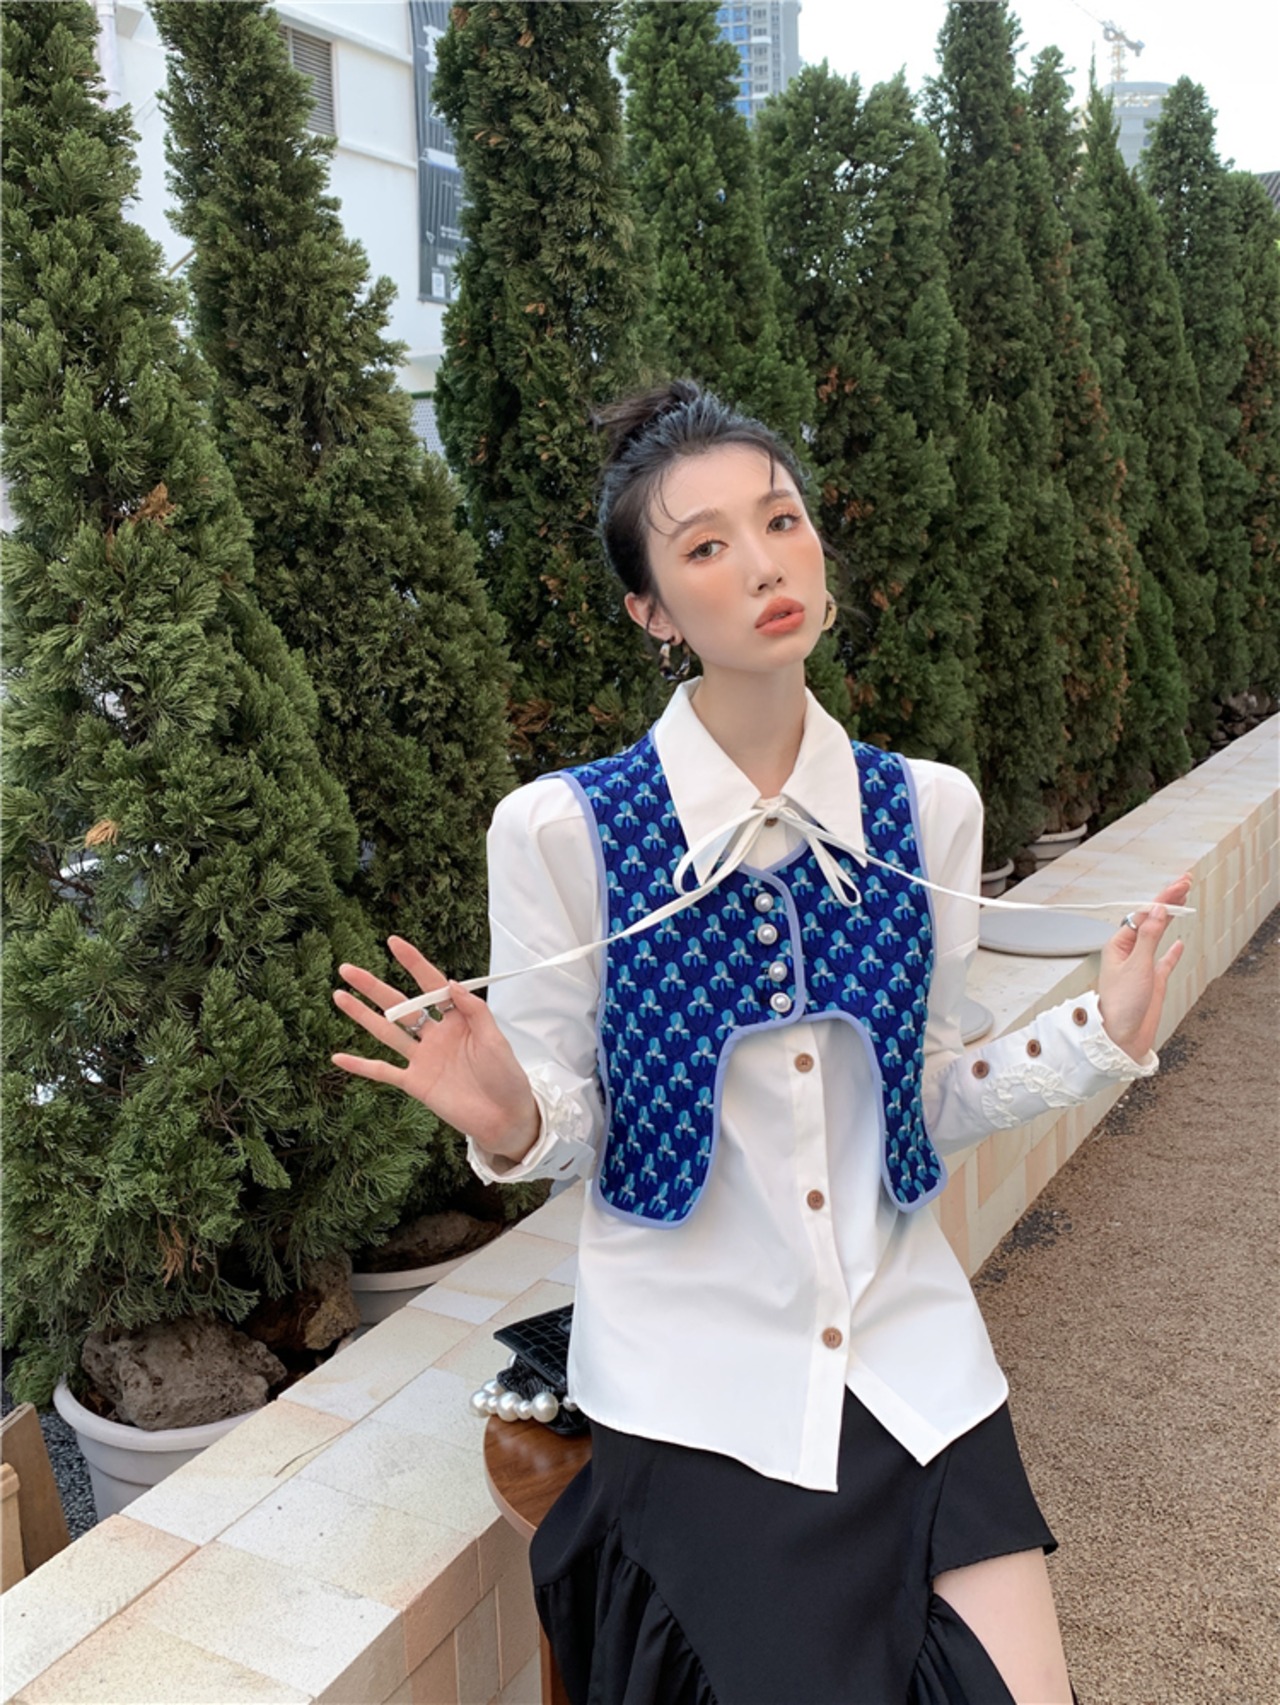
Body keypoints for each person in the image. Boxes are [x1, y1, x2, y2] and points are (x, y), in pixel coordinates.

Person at [333, 381, 1191, 1705]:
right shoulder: (562, 830)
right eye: (705, 545)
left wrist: (1098, 1032)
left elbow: (924, 1098)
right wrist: (509, 1116)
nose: (764, 564)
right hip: (695, 1380)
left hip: (912, 1356)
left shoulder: (927, 810)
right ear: (653, 612)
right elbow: (573, 1118)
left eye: (781, 520)